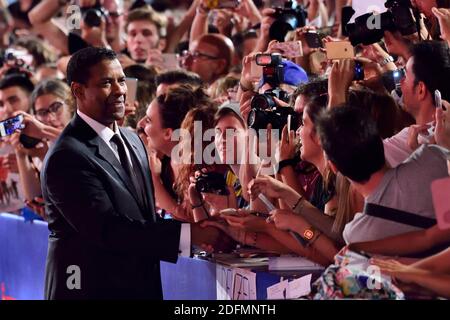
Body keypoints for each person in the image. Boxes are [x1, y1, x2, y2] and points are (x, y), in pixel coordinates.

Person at [40, 47, 220, 300]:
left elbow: (142, 218)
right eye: (106, 83)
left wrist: (197, 233)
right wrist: (189, 236)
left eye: (121, 81)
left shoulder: (132, 139)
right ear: (78, 90)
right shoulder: (66, 156)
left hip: (139, 286)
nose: (119, 90)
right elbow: (109, 229)